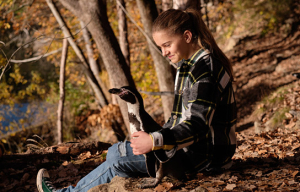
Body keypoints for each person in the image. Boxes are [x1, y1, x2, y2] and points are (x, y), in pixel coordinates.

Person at [36, 8, 237, 192]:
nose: (164, 52)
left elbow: (197, 125)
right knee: (117, 153)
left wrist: (154, 140)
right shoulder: (188, 67)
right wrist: (156, 138)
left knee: (118, 157)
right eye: (161, 47)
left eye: (167, 45)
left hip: (206, 157)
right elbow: (178, 119)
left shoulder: (205, 71)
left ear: (187, 36)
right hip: (194, 149)